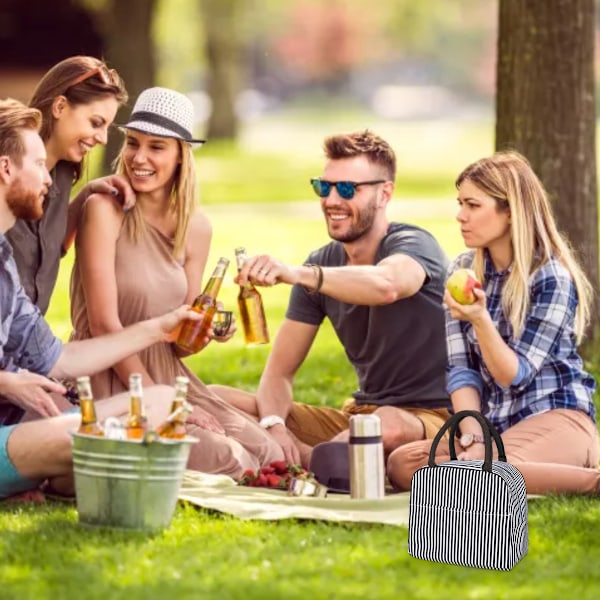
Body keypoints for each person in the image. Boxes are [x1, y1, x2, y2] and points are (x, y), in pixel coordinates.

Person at [68, 87, 283, 476]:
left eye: (157, 147)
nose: (139, 158)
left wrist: (203, 333)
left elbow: (179, 344)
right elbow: (103, 326)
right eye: (133, 143)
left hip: (171, 374)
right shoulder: (105, 210)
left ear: (181, 155)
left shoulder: (196, 228)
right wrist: (158, 399)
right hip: (110, 371)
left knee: (271, 454)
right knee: (230, 459)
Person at [0, 98, 204, 498]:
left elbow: (62, 360)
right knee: (103, 436)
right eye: (40, 165)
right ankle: (47, 471)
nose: (49, 180)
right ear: (6, 168)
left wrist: (158, 328)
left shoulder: (4, 263)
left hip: (11, 431)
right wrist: (6, 382)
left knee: (160, 402)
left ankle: (46, 474)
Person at [210, 130, 451, 466]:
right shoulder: (321, 263)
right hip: (360, 416)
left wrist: (298, 274)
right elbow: (279, 374)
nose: (332, 200)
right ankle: (313, 457)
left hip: (432, 419)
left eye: (348, 189)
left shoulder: (414, 244)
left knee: (387, 425)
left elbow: (388, 285)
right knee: (212, 398)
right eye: (324, 187)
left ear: (385, 193)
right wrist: (275, 425)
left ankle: (309, 461)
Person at [387, 151, 600, 495]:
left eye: (473, 205)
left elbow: (513, 374)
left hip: (556, 419)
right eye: (460, 203)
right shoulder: (463, 270)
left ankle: (592, 481)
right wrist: (473, 435)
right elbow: (461, 371)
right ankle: (490, 467)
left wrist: (481, 320)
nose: (460, 216)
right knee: (402, 464)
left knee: (477, 478)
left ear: (511, 212)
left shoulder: (550, 278)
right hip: (496, 429)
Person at [6, 55, 135, 315]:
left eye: (107, 127)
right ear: (60, 107)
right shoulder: (8, 167)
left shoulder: (63, 171)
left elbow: (47, 251)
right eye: (96, 123)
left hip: (25, 347)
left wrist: (87, 194)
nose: (101, 138)